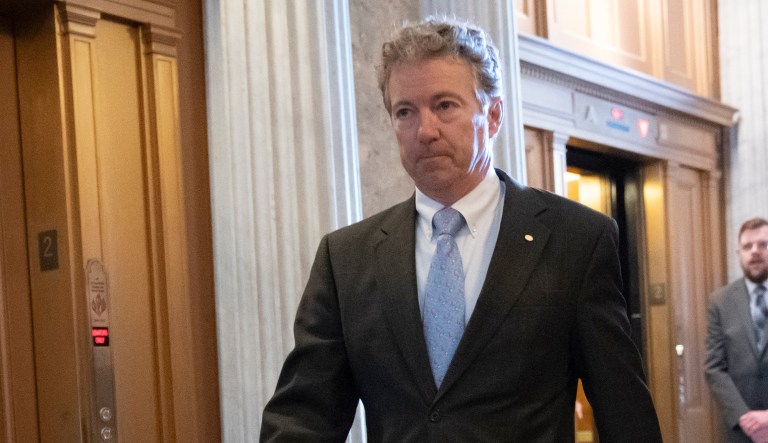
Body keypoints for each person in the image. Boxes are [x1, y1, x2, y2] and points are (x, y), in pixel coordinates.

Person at [260, 17, 662, 442]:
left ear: (492, 115)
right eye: (405, 112)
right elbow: (304, 416)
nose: (425, 131)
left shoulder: (575, 241)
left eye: (445, 105)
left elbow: (626, 415)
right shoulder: (346, 259)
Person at [706, 217, 768, 443]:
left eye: (763, 244)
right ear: (738, 253)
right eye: (747, 246)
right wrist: (745, 418)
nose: (755, 251)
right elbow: (714, 368)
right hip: (740, 430)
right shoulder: (720, 302)